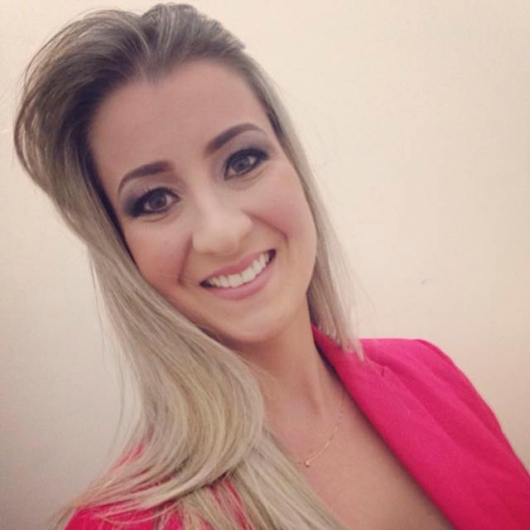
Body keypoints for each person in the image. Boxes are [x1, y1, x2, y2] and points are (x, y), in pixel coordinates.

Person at [14, 3, 530, 529]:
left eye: (242, 161)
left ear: (291, 161)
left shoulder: (430, 374)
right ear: (122, 248)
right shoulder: (119, 523)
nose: (222, 232)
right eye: (155, 200)